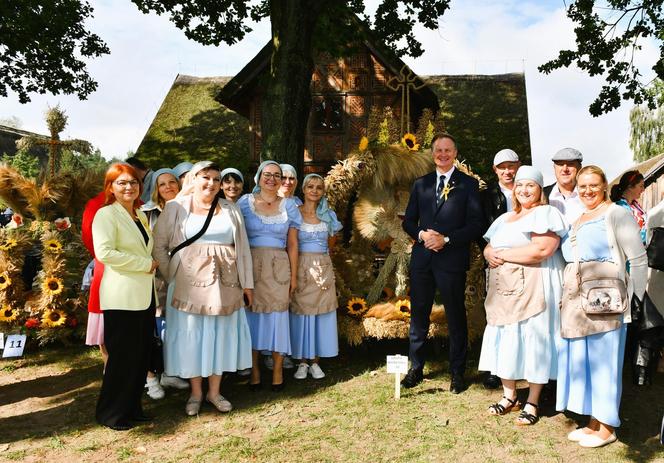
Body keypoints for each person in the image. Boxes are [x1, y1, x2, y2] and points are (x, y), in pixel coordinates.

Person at [153, 161, 254, 416]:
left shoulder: (230, 209)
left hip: (225, 283)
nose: (211, 183)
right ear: (194, 179)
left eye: (216, 179)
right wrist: (171, 274)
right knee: (192, 335)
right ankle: (196, 393)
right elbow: (159, 246)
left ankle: (214, 392)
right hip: (187, 284)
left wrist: (248, 284)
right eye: (205, 178)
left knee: (220, 334)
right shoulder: (176, 207)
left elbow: (242, 249)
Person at [557, 165, 647, 448]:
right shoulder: (580, 216)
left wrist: (637, 298)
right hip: (580, 300)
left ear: (605, 185)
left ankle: (608, 428)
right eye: (582, 186)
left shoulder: (616, 213)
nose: (587, 191)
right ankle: (594, 423)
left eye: (593, 185)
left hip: (609, 301)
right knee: (586, 361)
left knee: (605, 363)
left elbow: (639, 258)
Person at [479, 166, 566, 426]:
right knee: (505, 336)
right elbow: (489, 245)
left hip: (535, 287)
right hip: (505, 290)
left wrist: (502, 255)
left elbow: (542, 250)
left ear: (540, 189)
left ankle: (533, 400)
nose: (524, 190)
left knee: (534, 336)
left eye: (530, 185)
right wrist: (487, 253)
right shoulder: (506, 217)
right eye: (519, 185)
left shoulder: (546, 213)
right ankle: (510, 396)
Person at [401, 133, 484, 392]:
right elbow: (408, 221)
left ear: (455, 152)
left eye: (448, 150)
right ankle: (416, 368)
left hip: (451, 260)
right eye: (439, 150)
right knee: (419, 316)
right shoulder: (421, 184)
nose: (443, 154)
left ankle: (457, 372)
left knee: (455, 316)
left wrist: (446, 239)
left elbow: (476, 225)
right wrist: (421, 235)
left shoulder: (468, 185)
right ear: (433, 153)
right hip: (423, 260)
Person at [92, 163, 159, 431]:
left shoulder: (139, 215)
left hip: (143, 296)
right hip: (121, 297)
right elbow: (105, 253)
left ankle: (132, 407)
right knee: (121, 358)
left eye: (133, 182)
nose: (128, 187)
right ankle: (111, 414)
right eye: (121, 183)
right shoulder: (106, 215)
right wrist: (145, 264)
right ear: (110, 187)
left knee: (139, 356)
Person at [238, 160, 301, 391]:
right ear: (258, 177)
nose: (272, 178)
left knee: (278, 318)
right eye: (268, 174)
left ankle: (276, 371)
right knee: (252, 318)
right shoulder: (244, 203)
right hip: (251, 265)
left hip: (279, 266)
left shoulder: (289, 206)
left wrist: (294, 277)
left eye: (277, 175)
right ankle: (254, 371)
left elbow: (293, 244)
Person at [140, 168, 190, 398]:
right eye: (163, 184)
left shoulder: (187, 209)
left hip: (185, 273)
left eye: (172, 182)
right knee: (160, 325)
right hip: (158, 276)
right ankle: (156, 374)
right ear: (156, 189)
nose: (169, 187)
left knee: (178, 324)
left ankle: (173, 370)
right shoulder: (148, 213)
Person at [290, 174, 342, 380]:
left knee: (320, 313)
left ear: (323, 192)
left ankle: (316, 361)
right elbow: (290, 243)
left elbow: (332, 243)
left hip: (322, 266)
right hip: (301, 265)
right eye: (310, 186)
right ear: (303, 189)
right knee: (301, 312)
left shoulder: (328, 215)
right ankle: (302, 361)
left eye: (319, 188)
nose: (314, 190)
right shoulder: (294, 213)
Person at [478, 148, 521, 390]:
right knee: (495, 315)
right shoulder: (485, 196)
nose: (507, 171)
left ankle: (519, 366)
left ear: (518, 166)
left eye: (511, 166)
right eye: (502, 167)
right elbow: (479, 226)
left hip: (525, 261)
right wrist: (487, 249)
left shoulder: (530, 191)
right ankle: (494, 369)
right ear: (495, 170)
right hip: (496, 261)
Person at [81, 191, 108, 368]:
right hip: (104, 266)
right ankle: (109, 366)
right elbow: (88, 235)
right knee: (103, 323)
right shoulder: (97, 203)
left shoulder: (140, 205)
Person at [543, 148, 584, 224]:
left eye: (570, 164)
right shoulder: (542, 194)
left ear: (579, 168)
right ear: (554, 168)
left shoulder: (589, 195)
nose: (565, 169)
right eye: (560, 164)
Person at [611, 170, 646, 243]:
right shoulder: (620, 208)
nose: (643, 189)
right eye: (641, 186)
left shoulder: (635, 205)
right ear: (630, 186)